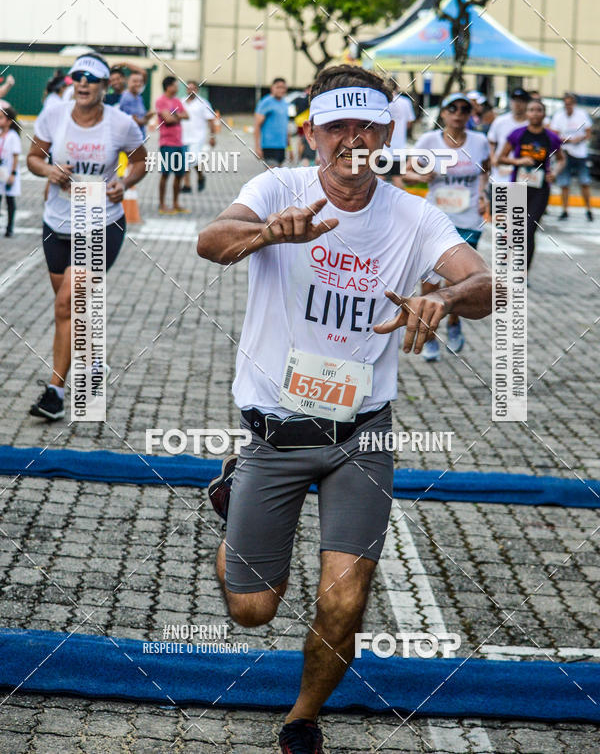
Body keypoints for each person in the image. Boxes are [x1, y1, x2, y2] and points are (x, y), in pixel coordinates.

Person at [197, 64, 492, 754]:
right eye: (337, 126)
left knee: (344, 595)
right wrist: (270, 233)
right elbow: (212, 242)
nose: (352, 139)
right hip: (275, 429)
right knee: (252, 609)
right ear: (312, 132)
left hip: (362, 433)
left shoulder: (412, 214)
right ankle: (236, 484)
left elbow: (487, 284)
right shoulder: (278, 189)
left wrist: (442, 300)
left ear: (388, 132)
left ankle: (302, 717)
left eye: (367, 126)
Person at [26, 53, 148, 420]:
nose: (82, 83)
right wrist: (49, 170)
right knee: (74, 311)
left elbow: (141, 160)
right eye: (77, 77)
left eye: (90, 79)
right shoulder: (53, 115)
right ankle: (95, 362)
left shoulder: (121, 124)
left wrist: (123, 182)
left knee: (65, 305)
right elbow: (33, 157)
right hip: (57, 224)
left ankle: (55, 394)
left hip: (101, 224)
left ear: (105, 86)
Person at [403, 92, 490, 361]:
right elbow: (407, 174)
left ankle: (453, 322)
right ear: (443, 113)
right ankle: (429, 336)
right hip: (436, 219)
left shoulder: (479, 141)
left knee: (460, 281)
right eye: (453, 108)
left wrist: (484, 193)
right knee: (429, 282)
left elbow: (486, 170)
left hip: (468, 219)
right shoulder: (429, 141)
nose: (458, 113)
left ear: (469, 115)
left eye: (465, 109)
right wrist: (421, 175)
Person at [497, 99, 565, 271]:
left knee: (528, 231)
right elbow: (501, 158)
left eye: (539, 110)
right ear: (527, 114)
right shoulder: (518, 134)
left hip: (540, 190)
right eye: (531, 110)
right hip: (517, 188)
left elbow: (562, 159)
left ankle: (523, 272)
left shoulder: (551, 137)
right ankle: (504, 266)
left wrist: (554, 173)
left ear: (544, 113)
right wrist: (518, 160)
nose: (535, 113)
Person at [550, 92, 594, 221]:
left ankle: (588, 209)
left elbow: (588, 132)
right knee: (564, 183)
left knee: (584, 181)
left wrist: (580, 139)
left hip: (580, 153)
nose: (567, 106)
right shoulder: (559, 116)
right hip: (564, 153)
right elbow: (554, 134)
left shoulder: (581, 115)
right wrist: (567, 141)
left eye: (570, 104)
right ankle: (565, 210)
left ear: (574, 104)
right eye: (566, 104)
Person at [155, 76, 189, 214]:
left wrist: (175, 116)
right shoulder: (161, 101)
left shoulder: (177, 101)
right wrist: (177, 116)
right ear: (168, 87)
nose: (177, 88)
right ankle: (162, 204)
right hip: (166, 143)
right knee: (165, 174)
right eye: (175, 85)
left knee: (179, 174)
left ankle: (175, 203)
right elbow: (167, 119)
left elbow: (187, 115)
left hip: (179, 143)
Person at [487, 88, 530, 185]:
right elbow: (491, 142)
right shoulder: (500, 121)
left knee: (518, 199)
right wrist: (493, 158)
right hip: (501, 171)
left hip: (523, 171)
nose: (517, 104)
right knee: (502, 199)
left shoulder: (531, 124)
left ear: (527, 103)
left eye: (521, 101)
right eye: (514, 100)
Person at [181, 80, 217, 193]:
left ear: (197, 90)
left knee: (194, 160)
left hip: (198, 136)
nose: (191, 91)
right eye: (189, 88)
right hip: (183, 136)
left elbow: (211, 120)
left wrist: (212, 136)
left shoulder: (203, 103)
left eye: (193, 88)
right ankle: (187, 185)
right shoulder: (181, 102)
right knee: (185, 161)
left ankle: (200, 176)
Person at [380, 89, 416, 188]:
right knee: (398, 178)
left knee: (379, 178)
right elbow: (409, 123)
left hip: (382, 149)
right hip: (399, 148)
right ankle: (402, 203)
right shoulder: (405, 102)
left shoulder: (382, 101)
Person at [254, 77, 289, 166]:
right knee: (272, 175)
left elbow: (285, 126)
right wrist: (257, 147)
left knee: (280, 175)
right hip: (269, 146)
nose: (281, 90)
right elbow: (257, 125)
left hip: (281, 146)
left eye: (283, 87)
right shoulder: (266, 102)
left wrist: (290, 148)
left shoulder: (285, 103)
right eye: (278, 87)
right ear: (272, 88)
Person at [0, 101, 22, 238]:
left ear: (8, 121)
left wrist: (13, 174)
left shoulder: (13, 136)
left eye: (1, 117)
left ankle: (10, 227)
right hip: (0, 173)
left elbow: (15, 156)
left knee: (10, 201)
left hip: (9, 173)